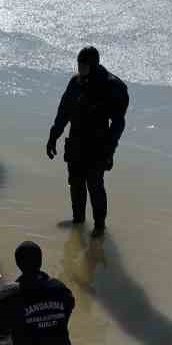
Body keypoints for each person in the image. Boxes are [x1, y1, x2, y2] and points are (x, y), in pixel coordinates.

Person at [46, 46, 129, 236]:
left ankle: (99, 226)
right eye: (78, 65)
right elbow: (63, 112)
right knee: (75, 183)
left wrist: (110, 150)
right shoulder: (75, 83)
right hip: (75, 140)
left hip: (99, 144)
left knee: (95, 185)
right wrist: (53, 137)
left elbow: (118, 124)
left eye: (83, 65)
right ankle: (78, 220)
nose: (79, 69)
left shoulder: (113, 86)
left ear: (93, 65)